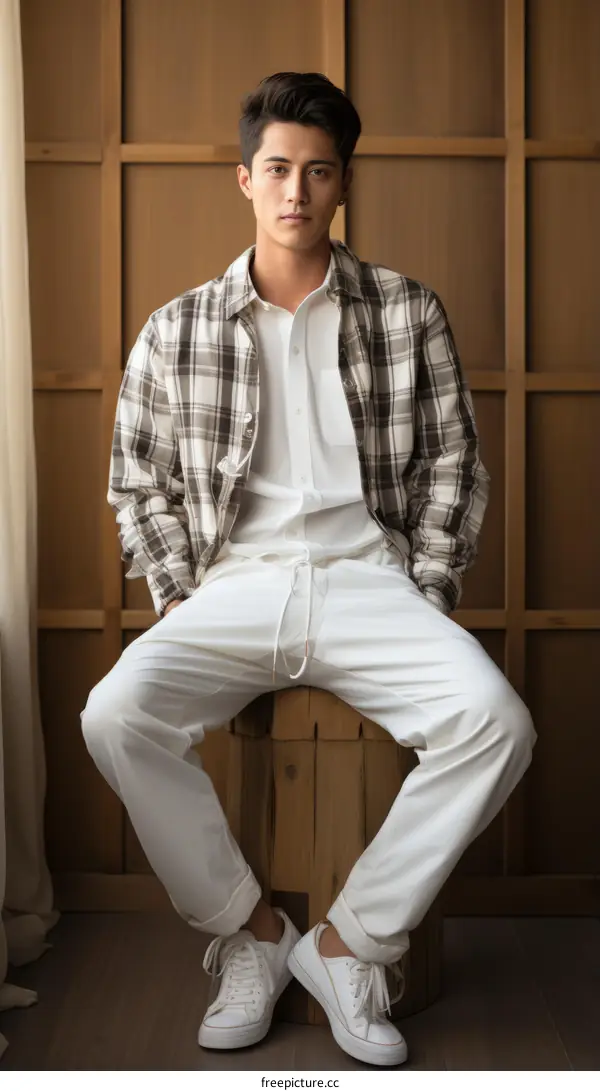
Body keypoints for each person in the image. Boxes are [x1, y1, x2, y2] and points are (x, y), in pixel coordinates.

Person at [80, 71, 537, 1068]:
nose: (298, 190)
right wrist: (180, 592)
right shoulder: (179, 327)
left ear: (342, 185)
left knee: (498, 724)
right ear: (246, 178)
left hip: (373, 582)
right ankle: (249, 935)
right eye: (279, 168)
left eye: (318, 172)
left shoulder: (408, 311)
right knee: (114, 714)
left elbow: (455, 461)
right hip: (230, 585)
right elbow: (135, 482)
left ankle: (349, 943)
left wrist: (429, 584)